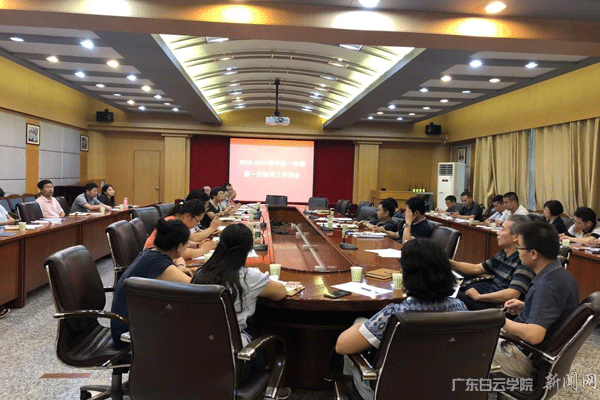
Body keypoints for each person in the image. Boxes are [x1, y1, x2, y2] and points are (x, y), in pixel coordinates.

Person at [335, 239, 467, 400]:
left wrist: (362, 324)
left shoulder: (395, 315)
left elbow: (342, 346)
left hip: (392, 392)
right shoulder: (461, 308)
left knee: (357, 327)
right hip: (446, 389)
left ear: (406, 275)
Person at [191, 223, 288, 394]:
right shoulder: (248, 276)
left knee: (250, 329)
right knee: (255, 330)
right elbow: (281, 293)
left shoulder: (201, 272)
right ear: (248, 250)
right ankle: (266, 386)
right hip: (232, 365)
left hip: (195, 355)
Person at [493, 221, 579, 378]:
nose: (518, 252)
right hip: (527, 349)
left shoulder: (547, 286)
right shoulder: (559, 274)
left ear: (533, 253)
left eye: (519, 247)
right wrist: (526, 306)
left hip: (524, 357)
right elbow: (553, 309)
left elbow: (534, 335)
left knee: (466, 348)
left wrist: (498, 319)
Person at [111, 218, 193, 348]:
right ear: (179, 247)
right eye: (187, 244)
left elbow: (176, 263)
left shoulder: (150, 253)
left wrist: (180, 268)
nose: (188, 246)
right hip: (128, 333)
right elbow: (197, 287)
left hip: (127, 322)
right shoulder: (161, 265)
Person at [451, 215, 535, 310]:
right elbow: (476, 268)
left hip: (494, 307)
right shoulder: (502, 254)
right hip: (487, 297)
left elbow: (512, 293)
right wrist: (448, 262)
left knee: (449, 297)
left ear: (516, 237)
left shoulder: (524, 261)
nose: (498, 232)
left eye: (502, 229)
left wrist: (479, 297)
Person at [144, 199, 216, 265]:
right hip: (154, 261)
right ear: (189, 216)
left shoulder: (176, 223)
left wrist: (198, 245)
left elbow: (180, 245)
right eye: (197, 221)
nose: (197, 224)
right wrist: (203, 250)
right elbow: (178, 253)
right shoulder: (172, 225)